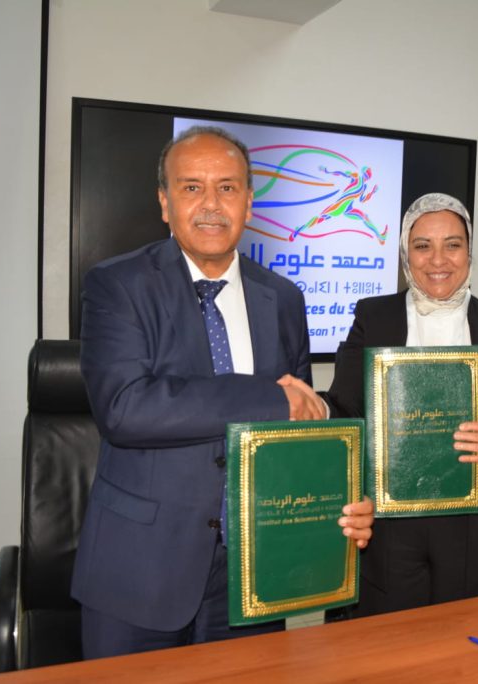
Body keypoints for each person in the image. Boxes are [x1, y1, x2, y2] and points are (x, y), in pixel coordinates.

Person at [71, 126, 374, 659]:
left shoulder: (283, 297)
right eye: (192, 187)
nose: (211, 204)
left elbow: (298, 437)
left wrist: (344, 498)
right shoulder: (118, 285)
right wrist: (271, 400)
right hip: (141, 569)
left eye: (227, 188)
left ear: (249, 203)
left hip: (254, 571)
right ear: (164, 202)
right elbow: (125, 409)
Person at [324, 192, 478, 616]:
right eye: (423, 245)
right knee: (394, 647)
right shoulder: (374, 317)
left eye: (453, 244)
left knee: (469, 645)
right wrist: (315, 410)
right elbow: (345, 412)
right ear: (405, 254)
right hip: (390, 531)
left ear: (469, 251)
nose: (438, 260)